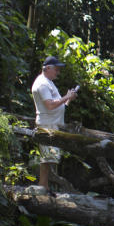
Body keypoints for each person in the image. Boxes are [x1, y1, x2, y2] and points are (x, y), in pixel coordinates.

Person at [31, 56, 78, 190]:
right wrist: (66, 97)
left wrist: (69, 99)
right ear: (47, 68)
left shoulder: (49, 82)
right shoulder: (42, 84)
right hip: (47, 124)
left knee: (50, 158)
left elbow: (59, 105)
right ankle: (43, 186)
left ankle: (45, 186)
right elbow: (50, 106)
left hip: (53, 124)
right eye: (56, 69)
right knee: (47, 158)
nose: (58, 72)